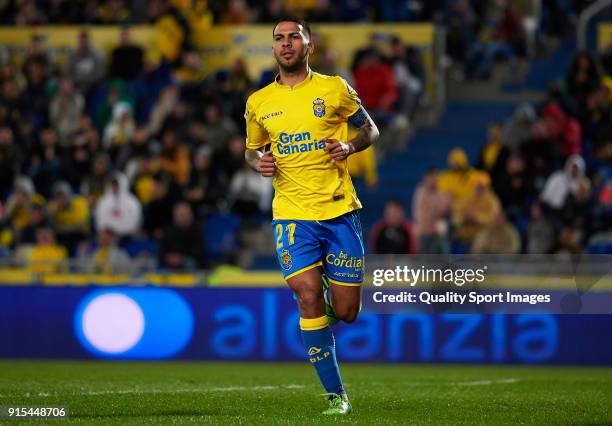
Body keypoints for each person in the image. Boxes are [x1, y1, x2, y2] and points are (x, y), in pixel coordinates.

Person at [243, 17, 379, 415]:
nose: (286, 44)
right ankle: (337, 397)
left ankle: (323, 311)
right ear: (273, 49)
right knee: (306, 295)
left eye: (294, 38)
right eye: (279, 39)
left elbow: (370, 130)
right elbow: (251, 151)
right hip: (291, 215)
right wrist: (259, 165)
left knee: (348, 312)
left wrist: (350, 147)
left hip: (338, 211)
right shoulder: (258, 102)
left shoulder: (334, 89)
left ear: (308, 47)